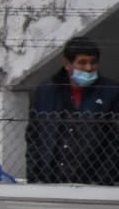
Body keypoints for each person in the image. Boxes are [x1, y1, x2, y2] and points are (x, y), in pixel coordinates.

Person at [25, 37, 119, 185]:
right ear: (67, 64)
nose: (88, 68)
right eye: (82, 63)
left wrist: (103, 179)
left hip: (93, 180)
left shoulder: (110, 92)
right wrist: (35, 175)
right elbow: (35, 135)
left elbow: (114, 142)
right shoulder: (46, 90)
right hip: (50, 178)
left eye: (93, 62)